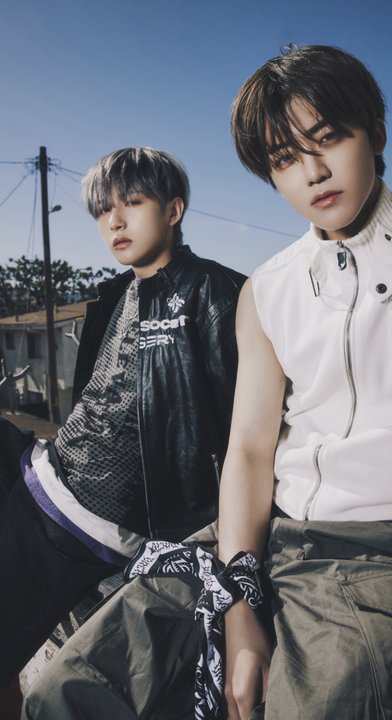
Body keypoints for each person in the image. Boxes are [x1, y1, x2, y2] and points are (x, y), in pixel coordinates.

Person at [23, 47, 392, 720]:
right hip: (252, 538)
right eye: (285, 159)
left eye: (329, 139)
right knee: (66, 692)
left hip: (385, 549)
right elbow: (249, 450)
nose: (313, 173)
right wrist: (239, 599)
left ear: (376, 133)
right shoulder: (268, 289)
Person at [0, 147, 245, 699]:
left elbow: (244, 429)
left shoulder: (214, 294)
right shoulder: (115, 294)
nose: (114, 221)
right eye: (103, 210)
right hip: (51, 473)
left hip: (83, 517)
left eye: (132, 203)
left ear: (173, 210)